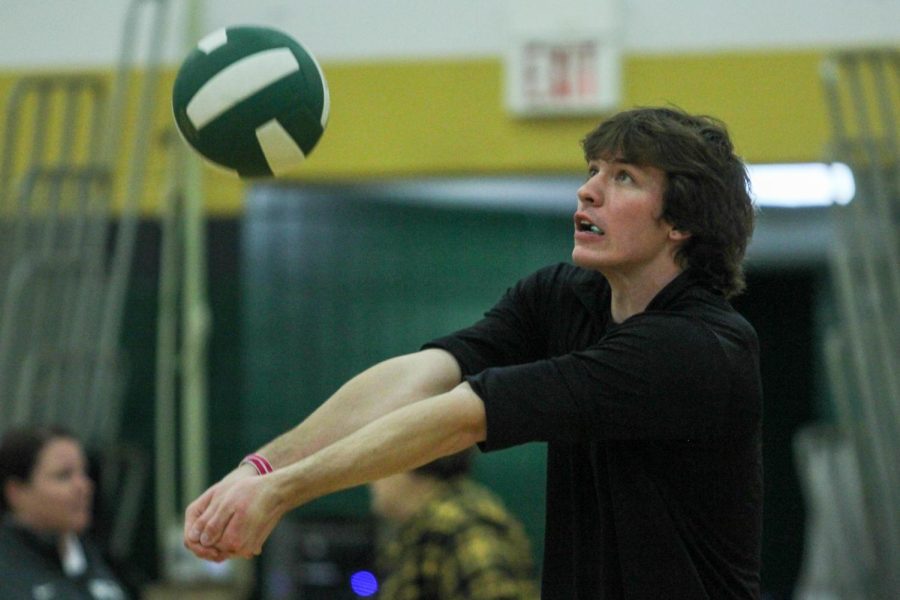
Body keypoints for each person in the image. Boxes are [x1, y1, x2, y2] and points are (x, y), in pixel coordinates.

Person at [184, 106, 763, 599]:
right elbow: (423, 376)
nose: (588, 189)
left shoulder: (696, 346)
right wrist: (260, 469)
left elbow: (462, 416)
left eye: (625, 177)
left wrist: (283, 493)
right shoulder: (562, 297)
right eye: (593, 170)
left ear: (680, 222)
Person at [369, 449, 539, 599]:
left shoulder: (461, 523)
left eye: (378, 465)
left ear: (410, 461)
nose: (371, 480)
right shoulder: (431, 523)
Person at [0, 425, 130, 600]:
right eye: (63, 476)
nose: (83, 486)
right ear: (15, 491)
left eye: (84, 472)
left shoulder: (102, 559)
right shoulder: (8, 568)